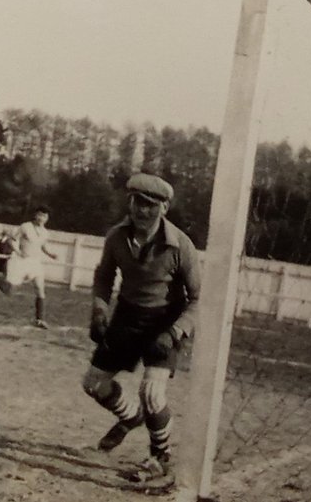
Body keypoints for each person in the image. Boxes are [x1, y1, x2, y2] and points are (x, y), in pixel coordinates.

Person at [81, 173, 200, 485]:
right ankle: (130, 417)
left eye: (150, 205)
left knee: (151, 393)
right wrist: (99, 309)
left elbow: (198, 299)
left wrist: (174, 333)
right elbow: (104, 276)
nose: (141, 210)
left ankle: (160, 457)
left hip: (165, 323)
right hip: (127, 316)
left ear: (164, 208)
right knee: (93, 384)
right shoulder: (116, 237)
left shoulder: (180, 245)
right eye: (136, 202)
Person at [0, 207, 60, 329]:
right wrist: (18, 251)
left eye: (44, 216)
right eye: (40, 215)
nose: (41, 218)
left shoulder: (45, 232)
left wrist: (51, 254)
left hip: (36, 263)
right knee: (10, 291)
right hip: (23, 261)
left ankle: (39, 319)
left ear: (47, 218)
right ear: (35, 215)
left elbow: (43, 246)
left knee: (40, 288)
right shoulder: (25, 226)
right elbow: (11, 240)